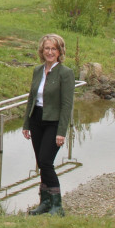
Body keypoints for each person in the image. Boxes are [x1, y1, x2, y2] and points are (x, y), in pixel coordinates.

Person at [21, 34, 75, 216]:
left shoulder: (65, 73)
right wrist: (26, 123)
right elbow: (31, 98)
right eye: (47, 49)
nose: (50, 52)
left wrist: (62, 132)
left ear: (60, 51)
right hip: (37, 119)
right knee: (41, 163)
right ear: (42, 51)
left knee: (46, 161)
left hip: (54, 121)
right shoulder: (37, 70)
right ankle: (44, 202)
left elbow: (67, 105)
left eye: (53, 49)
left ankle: (57, 205)